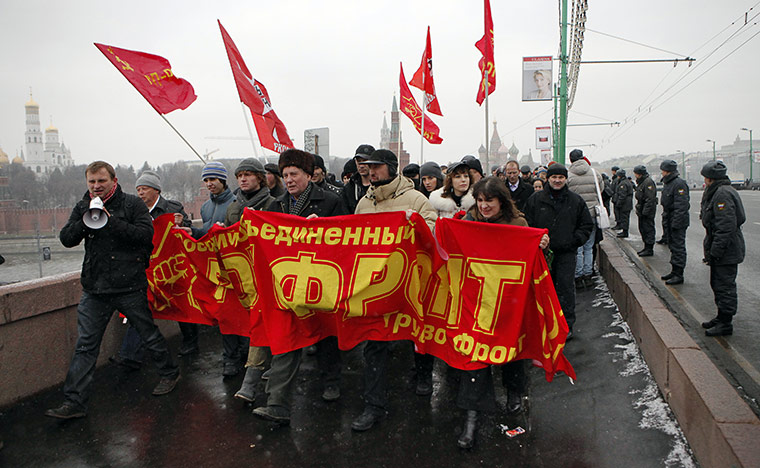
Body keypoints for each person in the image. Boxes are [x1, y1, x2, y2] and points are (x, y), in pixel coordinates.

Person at [46, 161, 179, 419]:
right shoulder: (83, 205)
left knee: (148, 333)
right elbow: (66, 238)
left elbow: (145, 236)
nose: (96, 187)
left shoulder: (131, 204)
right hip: (95, 288)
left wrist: (110, 221)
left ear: (113, 180)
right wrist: (87, 220)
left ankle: (170, 373)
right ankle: (74, 402)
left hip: (129, 285)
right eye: (91, 182)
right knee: (86, 345)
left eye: (101, 182)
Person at [252, 150, 348, 424]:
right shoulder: (276, 205)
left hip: (322, 282)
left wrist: (325, 232)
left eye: (294, 174)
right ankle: (277, 403)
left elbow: (346, 239)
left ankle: (332, 381)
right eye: (285, 175)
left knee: (327, 334)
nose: (289, 180)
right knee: (287, 338)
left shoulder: (330, 201)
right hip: (289, 284)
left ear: (308, 175)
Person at [456, 178, 549, 449]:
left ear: (501, 201)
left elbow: (534, 261)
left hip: (509, 301)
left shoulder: (519, 225)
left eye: (490, 201)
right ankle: (471, 419)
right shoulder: (468, 222)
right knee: (475, 357)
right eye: (480, 200)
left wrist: (541, 244)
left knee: (510, 351)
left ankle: (514, 393)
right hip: (477, 301)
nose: (484, 206)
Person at [351, 149, 438, 432]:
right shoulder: (364, 202)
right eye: (367, 167)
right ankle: (373, 405)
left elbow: (434, 233)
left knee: (417, 332)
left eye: (375, 167)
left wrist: (417, 224)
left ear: (390, 168)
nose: (370, 172)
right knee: (374, 343)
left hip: (410, 282)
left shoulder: (416, 199)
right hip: (376, 286)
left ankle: (424, 375)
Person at [115, 170, 196, 368]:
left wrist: (181, 223)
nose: (140, 193)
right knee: (140, 309)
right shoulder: (135, 211)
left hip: (171, 266)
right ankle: (130, 355)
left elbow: (187, 230)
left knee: (181, 307)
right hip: (147, 268)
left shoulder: (172, 208)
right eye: (138, 189)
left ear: (156, 190)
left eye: (144, 189)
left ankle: (191, 342)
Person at [219, 158, 277, 379]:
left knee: (266, 319)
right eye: (239, 176)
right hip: (240, 273)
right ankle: (240, 359)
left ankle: (268, 362)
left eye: (248, 175)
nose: (242, 179)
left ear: (259, 178)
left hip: (263, 271)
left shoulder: (272, 204)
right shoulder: (233, 207)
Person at [523, 163, 593, 341]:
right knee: (543, 289)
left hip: (566, 253)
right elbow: (527, 223)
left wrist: (574, 241)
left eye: (561, 177)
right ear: (548, 178)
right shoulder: (535, 200)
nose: (557, 180)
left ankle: (566, 325)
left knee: (565, 290)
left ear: (565, 179)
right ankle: (544, 324)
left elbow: (586, 225)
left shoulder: (576, 201)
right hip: (541, 253)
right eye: (554, 177)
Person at [699, 161, 745, 337]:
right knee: (718, 284)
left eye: (705, 177)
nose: (704, 181)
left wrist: (715, 251)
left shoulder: (722, 194)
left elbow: (725, 226)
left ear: (710, 178)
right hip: (723, 247)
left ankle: (726, 323)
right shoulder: (718, 191)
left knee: (725, 286)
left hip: (727, 249)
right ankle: (721, 317)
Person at [567, 149, 604, 288]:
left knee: (578, 247)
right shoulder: (595, 173)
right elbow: (600, 190)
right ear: (583, 158)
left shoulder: (569, 175)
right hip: (593, 214)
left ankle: (578, 276)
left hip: (576, 216)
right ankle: (588, 275)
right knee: (589, 246)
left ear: (571, 160)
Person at [659, 160, 690, 285]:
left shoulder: (679, 184)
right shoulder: (669, 183)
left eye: (662, 170)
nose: (661, 173)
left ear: (667, 171)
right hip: (669, 218)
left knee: (678, 247)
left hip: (677, 221)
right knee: (672, 246)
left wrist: (676, 223)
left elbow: (681, 206)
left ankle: (679, 274)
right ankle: (674, 271)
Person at [341, 144, 375, 213]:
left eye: (365, 161)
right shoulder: (349, 188)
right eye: (359, 161)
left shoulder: (382, 186)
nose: (361, 165)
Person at [633, 165, 657, 257]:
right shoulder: (642, 182)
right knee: (643, 229)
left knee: (648, 229)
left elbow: (650, 199)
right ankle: (646, 247)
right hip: (642, 210)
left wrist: (645, 212)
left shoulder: (648, 182)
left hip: (646, 211)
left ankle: (649, 248)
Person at [613, 169, 634, 238]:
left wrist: (618, 204)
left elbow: (622, 195)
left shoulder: (623, 183)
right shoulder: (626, 181)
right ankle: (624, 231)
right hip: (627, 203)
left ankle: (625, 232)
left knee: (624, 218)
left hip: (625, 204)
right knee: (625, 218)